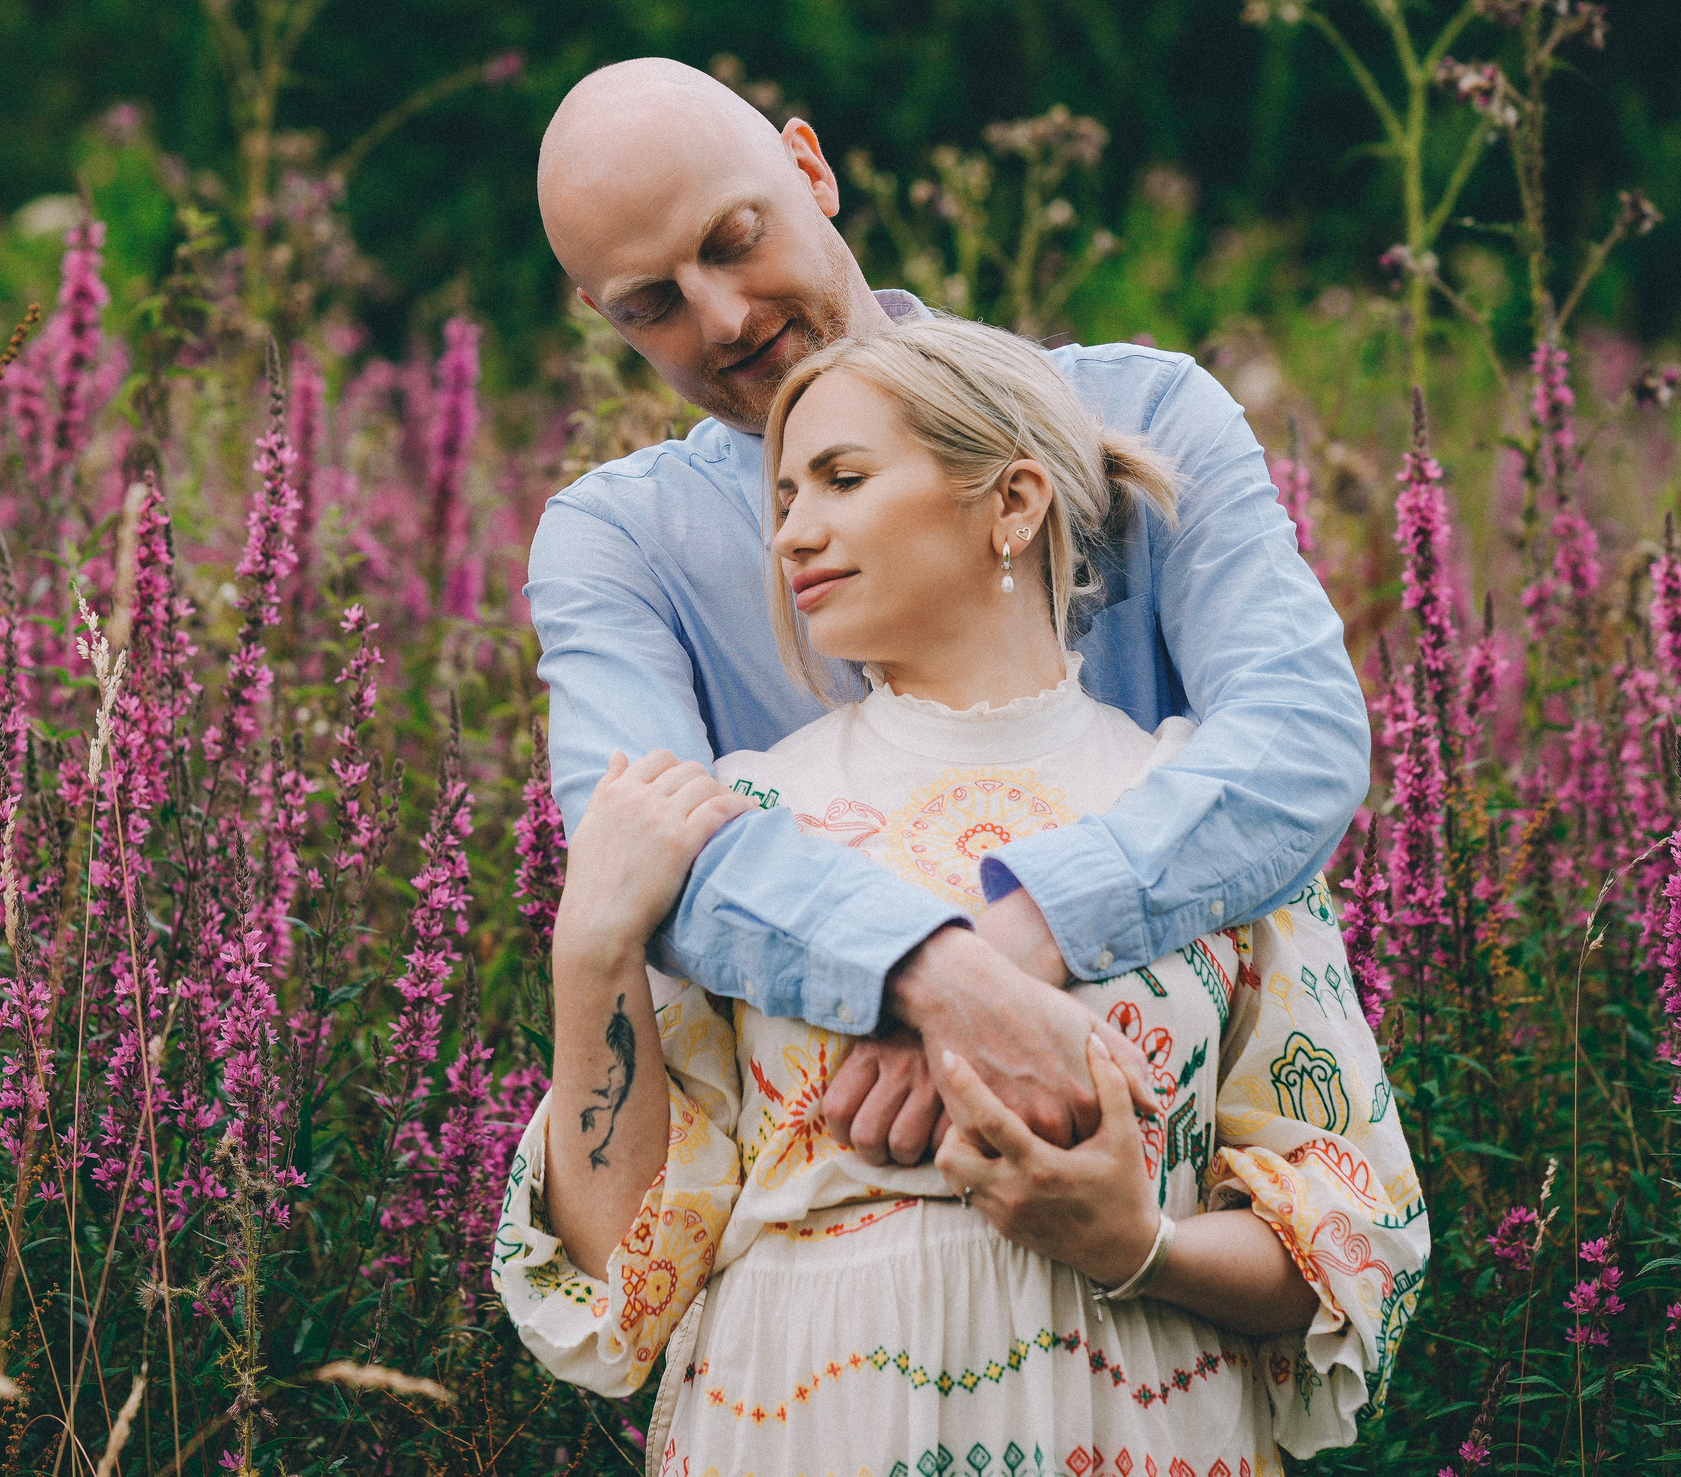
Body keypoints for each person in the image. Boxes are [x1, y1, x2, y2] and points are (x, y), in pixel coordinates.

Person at [494, 318, 1424, 1471]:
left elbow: (1350, 1238)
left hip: (1137, 1418)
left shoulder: (1199, 814)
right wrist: (589, 954)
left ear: (1013, 502)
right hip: (804, 1416)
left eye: (841, 478)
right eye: (783, 495)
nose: (792, 531)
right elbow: (622, 1276)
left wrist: (1139, 1245)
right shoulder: (742, 821)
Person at [527, 57, 1371, 1161]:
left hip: (1166, 1150)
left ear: (809, 169)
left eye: (736, 241)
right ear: (602, 319)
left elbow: (1297, 742)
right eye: (653, 306)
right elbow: (636, 852)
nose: (724, 318)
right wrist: (929, 973)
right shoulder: (624, 541)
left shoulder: (1142, 412)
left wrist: (1025, 937)